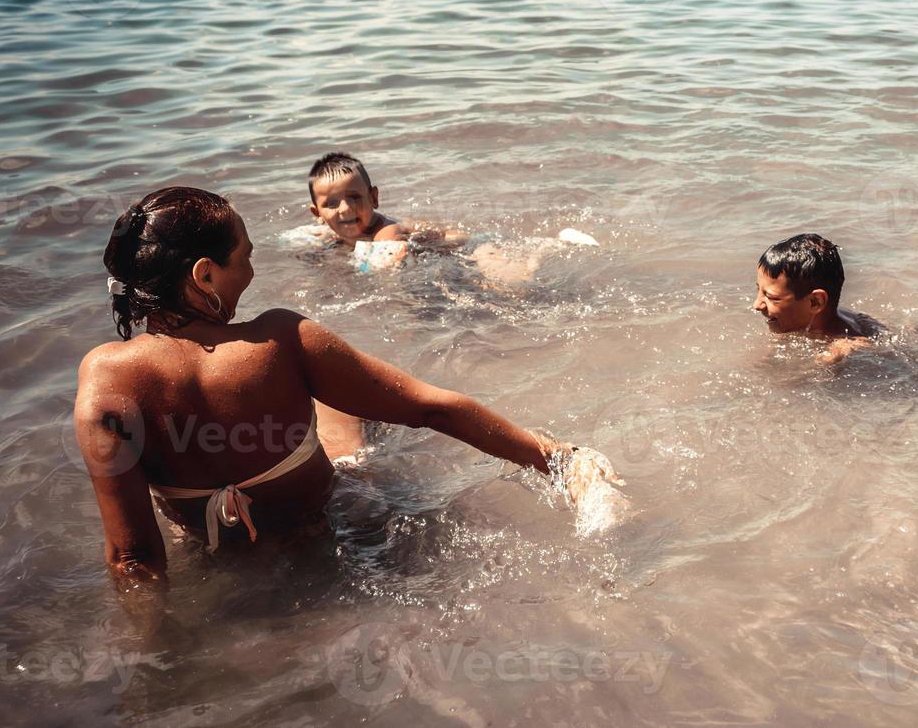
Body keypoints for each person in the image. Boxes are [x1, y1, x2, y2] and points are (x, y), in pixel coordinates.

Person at [76, 186, 623, 621]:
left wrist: (158, 656)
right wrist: (556, 455)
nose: (251, 271)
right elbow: (434, 410)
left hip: (221, 554)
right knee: (342, 414)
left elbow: (134, 559)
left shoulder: (106, 380)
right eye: (245, 257)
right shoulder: (280, 340)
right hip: (324, 528)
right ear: (204, 274)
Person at [304, 151, 594, 280]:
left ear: (374, 198)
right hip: (450, 248)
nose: (344, 209)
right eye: (332, 204)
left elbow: (379, 271)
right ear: (317, 214)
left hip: (471, 248)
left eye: (354, 198)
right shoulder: (332, 229)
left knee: (515, 282)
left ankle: (558, 243)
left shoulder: (385, 234)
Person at [752, 233, 879, 364]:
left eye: (772, 297)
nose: (756, 304)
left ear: (815, 302)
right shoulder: (797, 322)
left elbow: (867, 344)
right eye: (758, 290)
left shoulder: (842, 347)